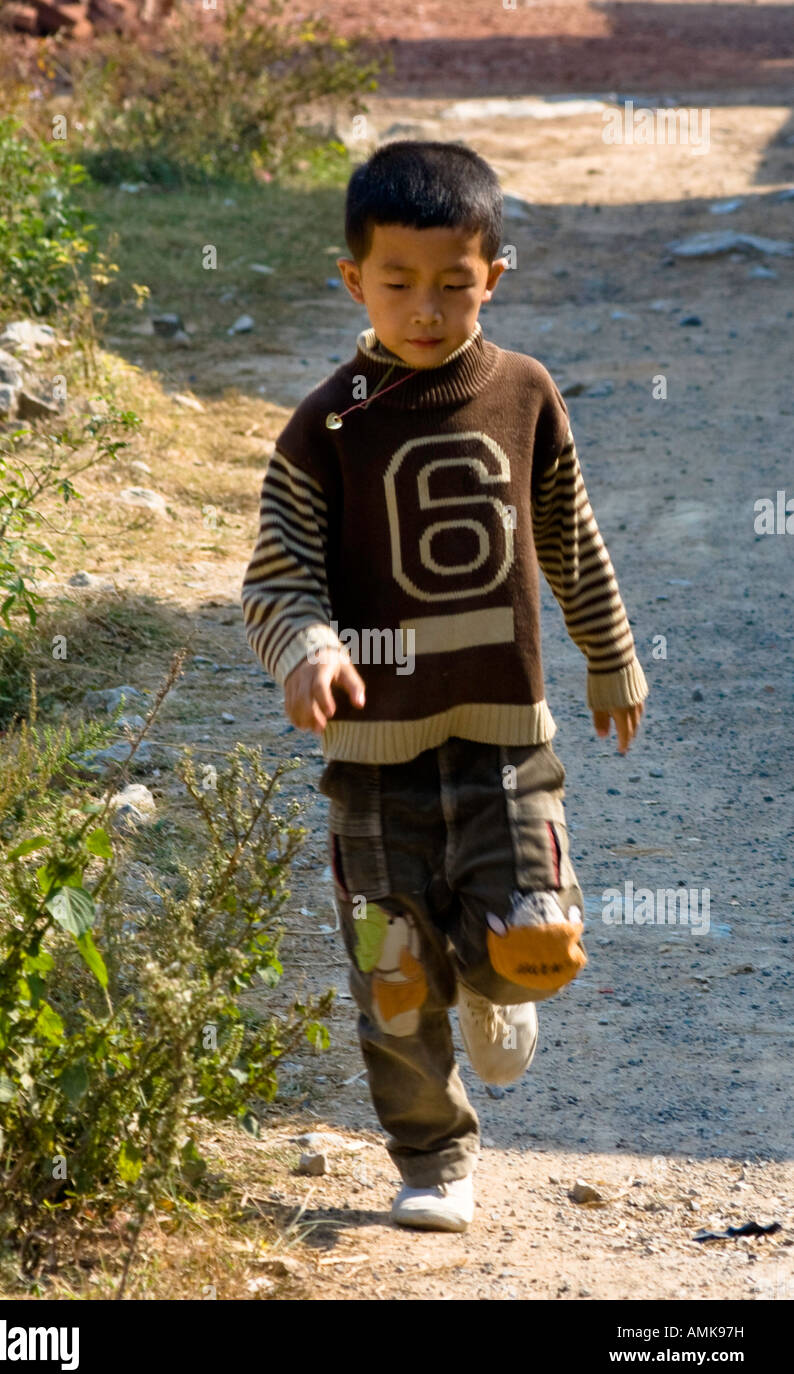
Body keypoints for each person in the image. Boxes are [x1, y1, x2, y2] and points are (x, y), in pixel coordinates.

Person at [241, 140, 647, 1232]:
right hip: (372, 762)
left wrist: (608, 653)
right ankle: (431, 1159)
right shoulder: (326, 426)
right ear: (352, 281)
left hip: (506, 737)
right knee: (392, 974)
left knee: (530, 939)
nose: (425, 310)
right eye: (397, 284)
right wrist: (308, 649)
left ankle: (494, 977)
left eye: (453, 285)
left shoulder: (522, 394)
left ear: (492, 276)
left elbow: (567, 535)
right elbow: (275, 572)